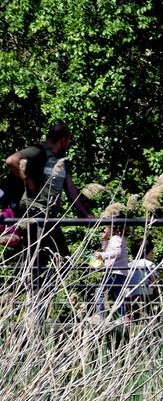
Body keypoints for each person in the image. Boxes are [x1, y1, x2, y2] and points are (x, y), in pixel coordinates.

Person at [4, 122, 94, 285]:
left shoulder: (62, 161)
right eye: (69, 141)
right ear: (64, 139)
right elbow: (11, 160)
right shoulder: (38, 151)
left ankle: (37, 298)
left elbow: (71, 189)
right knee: (41, 264)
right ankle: (29, 299)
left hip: (50, 217)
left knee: (58, 263)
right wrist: (29, 181)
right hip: (35, 214)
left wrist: (86, 214)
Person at [92, 221, 130, 317]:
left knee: (100, 292)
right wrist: (104, 240)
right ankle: (123, 317)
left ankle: (99, 316)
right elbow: (109, 251)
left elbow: (117, 252)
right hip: (119, 272)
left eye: (106, 227)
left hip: (115, 272)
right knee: (117, 296)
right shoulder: (117, 239)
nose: (104, 230)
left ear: (111, 228)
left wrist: (101, 255)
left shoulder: (115, 238)